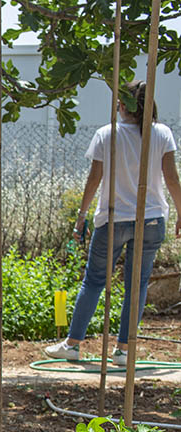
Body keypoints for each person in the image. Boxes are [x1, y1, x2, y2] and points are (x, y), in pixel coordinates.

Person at [44, 81, 181, 366]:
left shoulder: (107, 134)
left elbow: (94, 179)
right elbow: (171, 179)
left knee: (94, 281)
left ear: (123, 105)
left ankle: (73, 344)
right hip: (151, 219)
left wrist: (81, 216)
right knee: (137, 285)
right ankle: (123, 350)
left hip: (113, 218)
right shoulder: (162, 134)